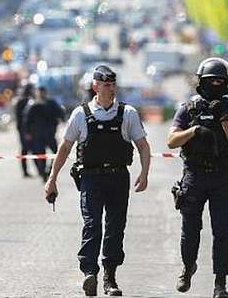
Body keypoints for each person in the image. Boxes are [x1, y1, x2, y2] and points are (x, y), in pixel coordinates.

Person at [43, 65, 150, 297]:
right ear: (95, 87)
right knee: (92, 225)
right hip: (91, 178)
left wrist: (145, 173)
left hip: (118, 177)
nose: (110, 89)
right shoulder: (81, 114)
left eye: (113, 85)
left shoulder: (127, 113)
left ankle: (110, 278)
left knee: (115, 227)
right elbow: (65, 147)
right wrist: (52, 178)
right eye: (105, 85)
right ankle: (89, 272)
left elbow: (142, 145)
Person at [166, 58, 228, 298]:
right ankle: (188, 268)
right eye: (212, 81)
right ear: (202, 83)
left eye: (220, 82)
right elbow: (171, 141)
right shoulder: (188, 109)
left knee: (222, 232)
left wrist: (224, 122)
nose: (216, 85)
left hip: (221, 179)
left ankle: (220, 284)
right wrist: (193, 131)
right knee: (190, 230)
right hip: (194, 177)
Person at [23, 86, 65, 181]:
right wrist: (27, 132)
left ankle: (50, 170)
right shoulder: (32, 104)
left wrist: (62, 119)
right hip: (37, 134)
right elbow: (27, 119)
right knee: (40, 155)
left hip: (50, 133)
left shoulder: (51, 103)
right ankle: (42, 173)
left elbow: (60, 112)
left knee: (56, 153)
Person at [14, 83, 35, 177]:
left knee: (31, 150)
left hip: (27, 129)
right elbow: (19, 118)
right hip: (25, 129)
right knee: (26, 150)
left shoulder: (28, 100)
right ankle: (26, 171)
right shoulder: (24, 101)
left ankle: (38, 170)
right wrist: (24, 131)